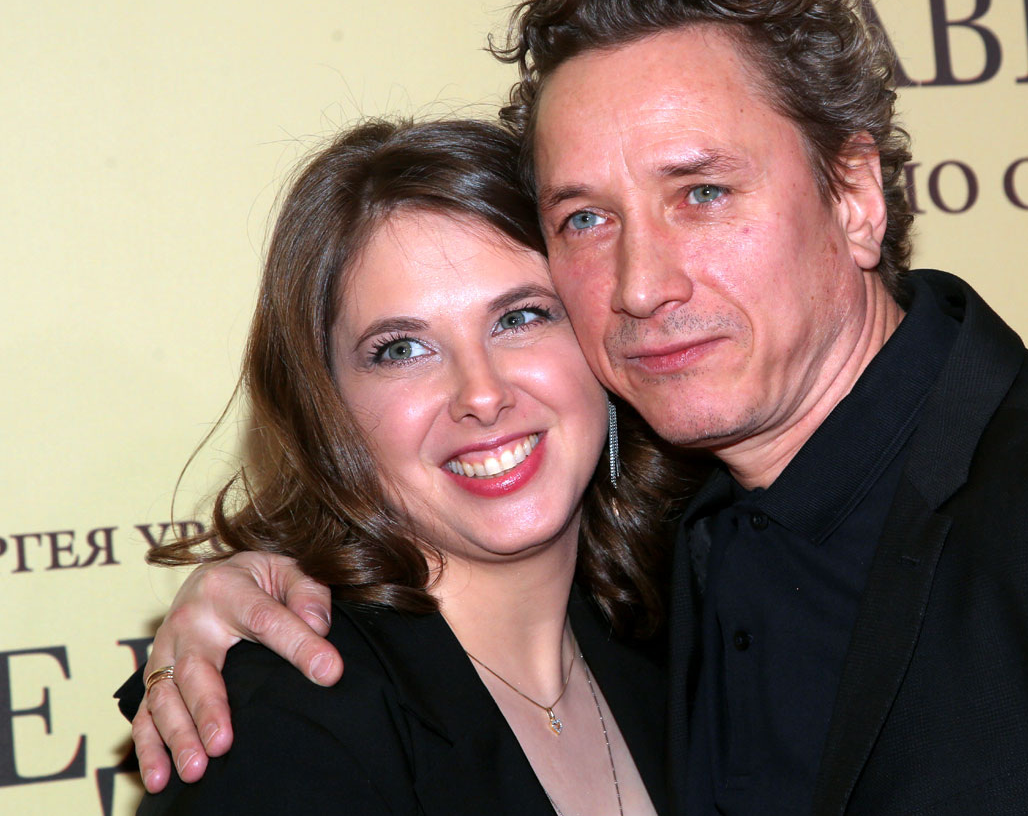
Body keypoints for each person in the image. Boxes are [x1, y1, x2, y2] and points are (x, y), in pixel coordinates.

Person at [129, 0, 1028, 814]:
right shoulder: (672, 564)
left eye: (702, 193)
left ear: (855, 197)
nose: (642, 286)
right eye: (587, 219)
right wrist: (233, 614)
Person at [116, 117, 697, 814]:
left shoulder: (690, 638)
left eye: (520, 317)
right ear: (327, 410)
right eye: (401, 350)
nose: (481, 394)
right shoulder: (283, 732)